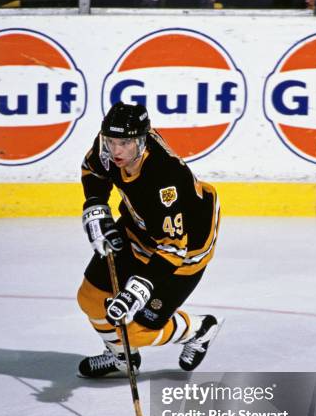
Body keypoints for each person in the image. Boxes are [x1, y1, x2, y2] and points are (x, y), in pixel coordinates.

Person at [77, 102, 222, 378]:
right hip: (138, 229)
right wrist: (95, 204)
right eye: (110, 141)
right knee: (90, 297)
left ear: (142, 141)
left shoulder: (166, 179)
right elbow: (93, 169)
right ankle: (122, 358)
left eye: (124, 143)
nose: (115, 150)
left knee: (136, 330)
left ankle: (198, 329)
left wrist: (140, 288)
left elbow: (172, 249)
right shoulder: (107, 145)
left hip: (185, 250)